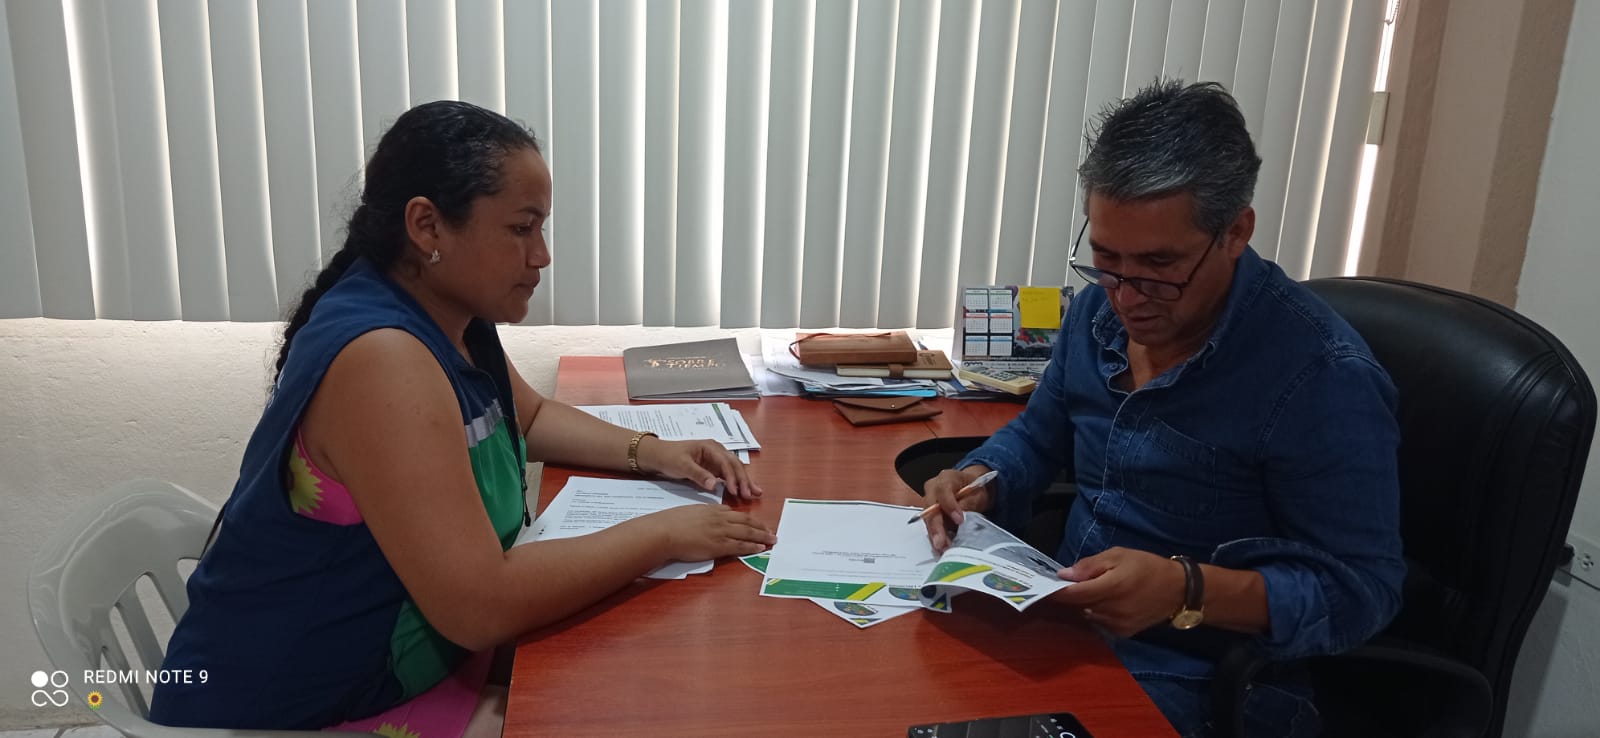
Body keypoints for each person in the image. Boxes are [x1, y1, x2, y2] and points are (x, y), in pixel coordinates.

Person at [149, 100, 776, 737]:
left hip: (390, 669)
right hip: (286, 710)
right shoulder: (384, 360)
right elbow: (480, 607)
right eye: (521, 228)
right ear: (427, 226)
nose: (542, 255)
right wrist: (664, 534)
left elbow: (528, 417)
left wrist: (653, 451)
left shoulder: (450, 314)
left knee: (632, 673)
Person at [920, 80, 1405, 738]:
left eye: (1158, 265)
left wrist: (1187, 589)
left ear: (1236, 232)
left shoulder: (1321, 377)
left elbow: (1362, 592)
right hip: (1064, 628)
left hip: (1203, 675)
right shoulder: (1097, 312)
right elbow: (1037, 438)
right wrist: (980, 479)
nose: (1126, 297)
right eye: (1106, 260)